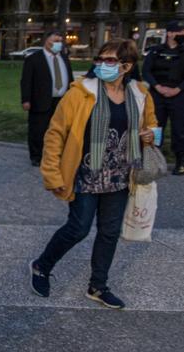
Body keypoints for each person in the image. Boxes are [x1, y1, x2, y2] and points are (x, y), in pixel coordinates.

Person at [31, 39, 157, 310]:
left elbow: (152, 126)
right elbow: (55, 133)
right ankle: (42, 266)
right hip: (86, 173)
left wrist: (150, 134)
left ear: (127, 65)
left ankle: (98, 286)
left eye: (109, 61)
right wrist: (52, 173)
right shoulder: (81, 92)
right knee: (78, 228)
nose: (101, 65)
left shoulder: (139, 93)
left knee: (109, 232)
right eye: (99, 59)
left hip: (121, 175)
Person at [21, 31, 75, 166]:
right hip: (40, 100)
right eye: (55, 41)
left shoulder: (64, 58)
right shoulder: (33, 59)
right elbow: (26, 80)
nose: (58, 44)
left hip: (61, 100)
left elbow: (70, 77)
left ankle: (57, 154)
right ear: (46, 41)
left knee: (60, 129)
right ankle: (37, 156)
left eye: (60, 41)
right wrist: (25, 99)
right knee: (38, 129)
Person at [142, 21, 184, 174]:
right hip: (158, 94)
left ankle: (181, 162)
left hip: (178, 95)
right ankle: (155, 161)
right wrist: (158, 87)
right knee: (156, 128)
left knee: (179, 129)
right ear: (170, 33)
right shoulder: (155, 51)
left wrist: (177, 89)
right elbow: (146, 71)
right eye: (179, 32)